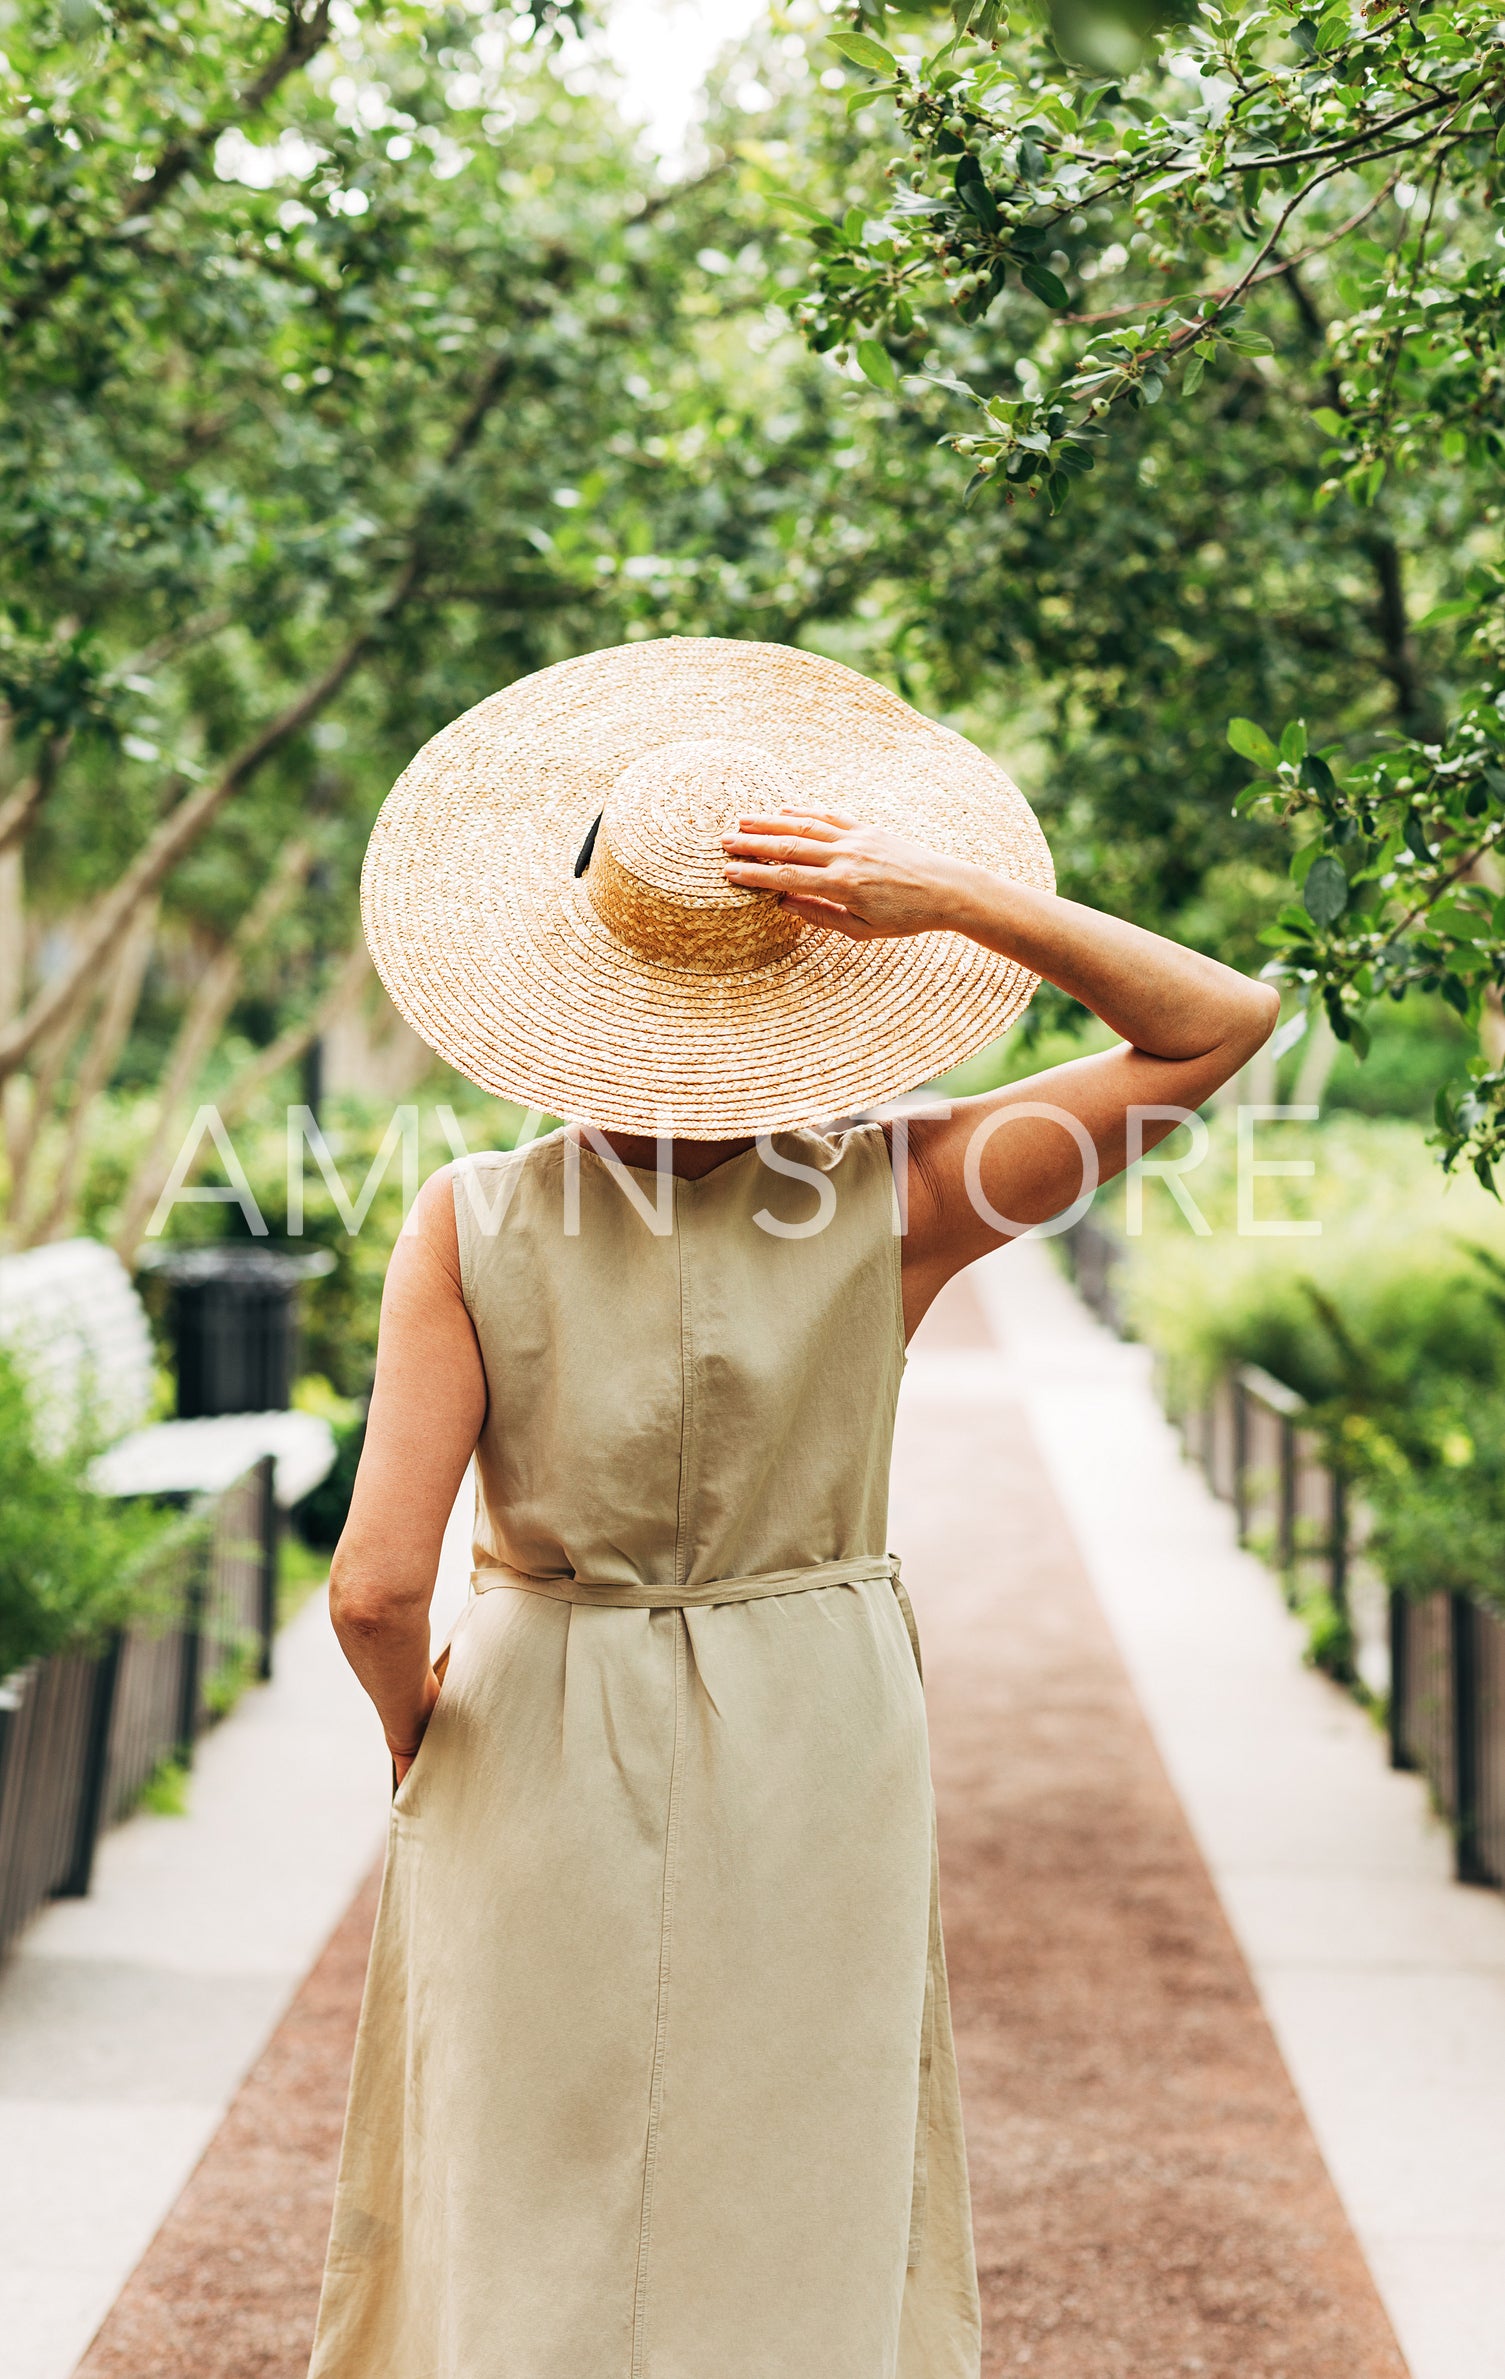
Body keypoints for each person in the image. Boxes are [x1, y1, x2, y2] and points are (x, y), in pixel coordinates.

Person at [307, 638, 1275, 2379]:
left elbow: (376, 1590)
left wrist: (417, 1735)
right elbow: (1216, 1026)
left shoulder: (465, 1216)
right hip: (816, 1714)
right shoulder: (906, 1191)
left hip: (541, 1705)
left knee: (521, 2170)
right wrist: (954, 902)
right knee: (798, 2164)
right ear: (802, 978)